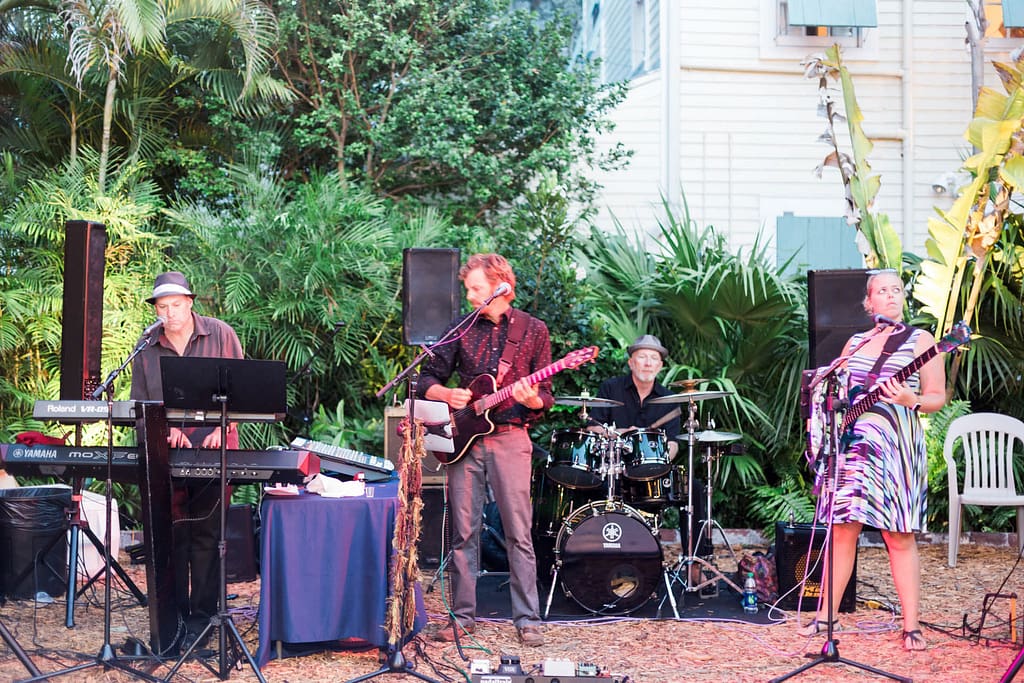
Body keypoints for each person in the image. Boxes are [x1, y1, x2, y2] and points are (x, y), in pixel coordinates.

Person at [798, 269, 945, 651]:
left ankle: (911, 625)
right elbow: (836, 393)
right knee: (844, 530)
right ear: (869, 302)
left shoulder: (921, 340)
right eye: (883, 290)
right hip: (852, 448)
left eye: (897, 289)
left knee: (898, 535)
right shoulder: (856, 343)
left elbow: (936, 396)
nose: (892, 295)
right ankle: (826, 617)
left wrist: (910, 400)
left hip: (894, 448)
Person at [418, 253, 553, 647]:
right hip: (465, 442)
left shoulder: (533, 329)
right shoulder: (460, 327)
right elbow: (425, 377)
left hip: (512, 436)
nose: (471, 296)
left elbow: (547, 397)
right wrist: (447, 393)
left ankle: (527, 618)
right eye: (468, 289)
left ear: (500, 285)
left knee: (519, 532)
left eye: (475, 288)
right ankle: (462, 617)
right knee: (463, 533)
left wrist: (530, 401)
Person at [130, 271, 244, 651]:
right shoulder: (146, 345)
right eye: (162, 307)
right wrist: (160, 429)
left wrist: (223, 428)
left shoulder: (220, 334)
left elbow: (244, 390)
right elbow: (139, 405)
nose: (169, 313)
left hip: (215, 447)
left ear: (190, 303)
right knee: (173, 536)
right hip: (168, 452)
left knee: (208, 538)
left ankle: (205, 619)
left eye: (175, 305)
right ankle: (175, 619)